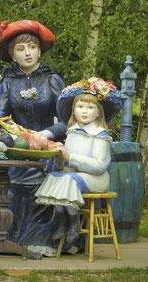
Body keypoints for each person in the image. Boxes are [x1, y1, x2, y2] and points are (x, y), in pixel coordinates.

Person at [0, 19, 69, 257]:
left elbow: (66, 120)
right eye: (20, 49)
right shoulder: (8, 82)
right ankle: (0, 238)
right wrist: (5, 136)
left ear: (40, 49)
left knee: (41, 176)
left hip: (44, 150)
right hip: (16, 147)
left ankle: (35, 239)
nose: (27, 53)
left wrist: (46, 133)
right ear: (13, 55)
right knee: (2, 175)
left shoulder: (52, 79)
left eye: (31, 47)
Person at [35, 77, 122, 245]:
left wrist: (71, 158)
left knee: (68, 180)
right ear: (73, 110)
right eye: (80, 106)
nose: (84, 111)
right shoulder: (73, 131)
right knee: (53, 177)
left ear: (98, 112)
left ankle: (73, 223)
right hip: (75, 175)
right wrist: (61, 156)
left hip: (96, 179)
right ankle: (63, 220)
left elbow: (99, 166)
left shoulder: (100, 135)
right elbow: (66, 164)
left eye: (90, 107)